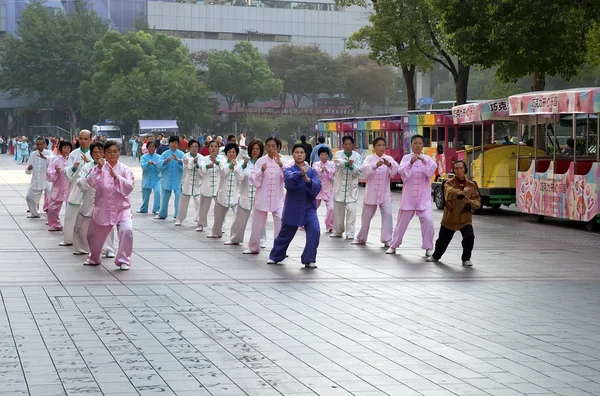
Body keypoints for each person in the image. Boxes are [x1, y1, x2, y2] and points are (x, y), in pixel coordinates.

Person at [268, 144, 321, 268]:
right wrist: (300, 174)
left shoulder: (312, 171)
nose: (299, 154)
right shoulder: (289, 170)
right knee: (285, 234)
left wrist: (308, 180)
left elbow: (317, 187)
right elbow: (289, 182)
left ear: (305, 155)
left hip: (309, 208)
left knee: (315, 230)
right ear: (293, 154)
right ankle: (275, 256)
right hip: (293, 207)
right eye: (296, 152)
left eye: (301, 152)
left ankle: (309, 259)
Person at [85, 141, 134, 270]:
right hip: (103, 208)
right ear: (104, 154)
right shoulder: (99, 168)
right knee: (92, 237)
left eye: (115, 151)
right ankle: (94, 258)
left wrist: (116, 177)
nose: (112, 154)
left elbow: (129, 187)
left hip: (122, 208)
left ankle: (123, 260)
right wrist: (99, 169)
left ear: (119, 153)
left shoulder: (125, 169)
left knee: (127, 230)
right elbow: (90, 181)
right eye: (109, 152)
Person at [386, 134, 437, 256]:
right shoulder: (406, 158)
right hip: (409, 197)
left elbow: (431, 171)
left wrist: (423, 160)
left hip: (423, 198)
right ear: (411, 145)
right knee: (401, 223)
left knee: (428, 220)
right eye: (415, 143)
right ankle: (393, 245)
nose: (417, 145)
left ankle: (428, 247)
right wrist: (410, 163)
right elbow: (403, 173)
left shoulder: (427, 159)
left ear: (423, 145)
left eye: (420, 143)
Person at [427, 160, 480, 266]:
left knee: (469, 237)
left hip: (465, 218)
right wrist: (460, 193)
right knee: (442, 241)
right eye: (456, 168)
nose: (459, 170)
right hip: (450, 218)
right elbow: (448, 192)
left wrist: (470, 202)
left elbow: (477, 203)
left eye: (461, 168)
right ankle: (436, 256)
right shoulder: (448, 183)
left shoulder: (471, 185)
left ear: (465, 169)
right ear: (453, 170)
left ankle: (466, 259)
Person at [353, 137, 398, 247]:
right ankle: (361, 237)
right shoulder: (369, 158)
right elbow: (365, 170)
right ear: (374, 147)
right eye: (379, 145)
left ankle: (387, 239)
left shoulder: (389, 158)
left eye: (383, 145)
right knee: (366, 216)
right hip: (372, 192)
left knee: (387, 214)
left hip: (385, 192)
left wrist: (389, 165)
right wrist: (375, 165)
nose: (381, 147)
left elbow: (395, 171)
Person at [243, 137, 285, 254]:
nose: (271, 148)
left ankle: (279, 249)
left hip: (278, 197)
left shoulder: (283, 160)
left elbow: (288, 176)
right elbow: (254, 179)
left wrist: (281, 165)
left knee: (280, 220)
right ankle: (253, 246)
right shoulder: (261, 161)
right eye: (268, 146)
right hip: (262, 196)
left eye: (273, 146)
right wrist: (261, 171)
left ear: (278, 147)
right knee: (257, 223)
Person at [73, 142, 115, 257]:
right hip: (88, 201)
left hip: (105, 203)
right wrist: (90, 176)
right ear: (91, 154)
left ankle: (108, 249)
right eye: (95, 152)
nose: (98, 155)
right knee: (81, 226)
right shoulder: (86, 167)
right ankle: (83, 248)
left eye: (100, 151)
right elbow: (81, 184)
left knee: (106, 226)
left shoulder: (110, 166)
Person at [226, 139, 266, 246]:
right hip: (245, 195)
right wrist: (243, 165)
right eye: (253, 149)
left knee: (260, 221)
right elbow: (239, 176)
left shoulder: (263, 163)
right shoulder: (244, 162)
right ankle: (235, 238)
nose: (255, 151)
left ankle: (261, 240)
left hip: (259, 196)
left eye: (257, 149)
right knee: (240, 220)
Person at [61, 130, 93, 247]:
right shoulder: (74, 154)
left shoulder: (95, 153)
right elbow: (66, 171)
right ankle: (68, 239)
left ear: (91, 139)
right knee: (70, 216)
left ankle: (87, 242)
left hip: (90, 191)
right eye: (81, 138)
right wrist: (73, 168)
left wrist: (89, 162)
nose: (83, 141)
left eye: (86, 139)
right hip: (75, 189)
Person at [208, 142, 243, 238]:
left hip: (236, 195)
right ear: (226, 153)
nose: (231, 154)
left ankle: (235, 236)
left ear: (237, 154)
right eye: (229, 152)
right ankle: (216, 232)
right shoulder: (222, 163)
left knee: (237, 217)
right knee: (219, 217)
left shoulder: (240, 165)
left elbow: (241, 177)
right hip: (222, 193)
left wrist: (235, 167)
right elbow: (223, 173)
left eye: (233, 152)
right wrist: (230, 166)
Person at [331, 135, 362, 240]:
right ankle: (337, 231)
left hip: (351, 189)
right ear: (343, 145)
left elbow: (358, 171)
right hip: (339, 187)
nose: (348, 146)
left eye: (350, 144)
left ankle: (350, 232)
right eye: (346, 144)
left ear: (353, 145)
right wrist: (347, 163)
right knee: (338, 211)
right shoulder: (338, 154)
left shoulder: (357, 156)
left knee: (351, 210)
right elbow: (338, 162)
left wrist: (352, 166)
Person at [196, 140, 223, 232]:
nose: (213, 148)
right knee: (203, 207)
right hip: (207, 185)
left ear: (218, 148)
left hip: (218, 186)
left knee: (220, 208)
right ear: (208, 148)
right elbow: (201, 170)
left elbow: (224, 169)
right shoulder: (204, 159)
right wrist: (207, 166)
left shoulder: (222, 158)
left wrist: (217, 163)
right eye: (211, 146)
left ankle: (220, 224)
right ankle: (201, 224)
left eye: (216, 146)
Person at [46, 141, 73, 231]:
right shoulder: (56, 160)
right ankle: (55, 224)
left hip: (70, 188)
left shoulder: (73, 160)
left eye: (68, 148)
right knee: (53, 207)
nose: (66, 149)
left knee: (70, 208)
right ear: (60, 149)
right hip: (58, 187)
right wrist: (56, 172)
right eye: (64, 147)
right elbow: (49, 172)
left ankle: (70, 226)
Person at [156, 136, 184, 220]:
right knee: (165, 197)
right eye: (172, 143)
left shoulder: (181, 154)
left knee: (178, 198)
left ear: (178, 144)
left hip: (177, 179)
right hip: (167, 178)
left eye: (176, 143)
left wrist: (179, 160)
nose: (174, 145)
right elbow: (158, 164)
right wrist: (165, 161)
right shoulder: (165, 153)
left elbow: (185, 164)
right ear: (169, 143)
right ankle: (162, 214)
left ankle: (177, 215)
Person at [176, 139, 203, 226]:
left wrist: (198, 164)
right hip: (187, 182)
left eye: (196, 147)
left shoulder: (201, 157)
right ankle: (180, 218)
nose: (194, 148)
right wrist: (194, 162)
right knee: (183, 202)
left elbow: (202, 169)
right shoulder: (185, 156)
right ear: (189, 148)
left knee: (199, 201)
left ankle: (198, 219)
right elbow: (189, 165)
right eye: (192, 147)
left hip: (197, 183)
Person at [25, 137, 53, 218]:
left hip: (48, 180)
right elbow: (28, 168)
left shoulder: (49, 153)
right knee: (29, 197)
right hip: (36, 179)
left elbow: (53, 160)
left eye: (41, 144)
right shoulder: (33, 154)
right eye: (38, 144)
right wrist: (29, 168)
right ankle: (35, 213)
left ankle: (53, 217)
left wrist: (44, 157)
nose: (39, 146)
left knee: (52, 199)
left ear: (45, 144)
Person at [312, 146, 335, 233]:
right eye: (322, 155)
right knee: (312, 207)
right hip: (318, 190)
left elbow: (333, 175)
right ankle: (306, 223)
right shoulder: (316, 164)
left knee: (331, 208)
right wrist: (321, 170)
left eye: (325, 155)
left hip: (328, 190)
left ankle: (330, 226)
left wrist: (327, 170)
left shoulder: (332, 164)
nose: (324, 156)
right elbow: (314, 174)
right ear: (319, 156)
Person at [138, 140, 161, 214]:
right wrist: (147, 164)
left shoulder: (159, 157)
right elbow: (143, 166)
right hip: (147, 177)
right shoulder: (144, 157)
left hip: (157, 178)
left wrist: (154, 164)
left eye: (153, 146)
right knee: (146, 194)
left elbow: (160, 168)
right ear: (147, 148)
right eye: (150, 146)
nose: (151, 148)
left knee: (157, 192)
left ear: (155, 148)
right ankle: (144, 208)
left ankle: (156, 209)